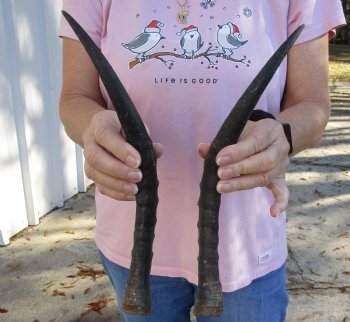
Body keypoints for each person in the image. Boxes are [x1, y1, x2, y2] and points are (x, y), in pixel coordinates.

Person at [59, 1, 345, 321]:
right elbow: (75, 98)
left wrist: (282, 136)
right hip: (134, 247)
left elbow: (313, 105)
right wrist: (92, 130)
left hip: (247, 245)